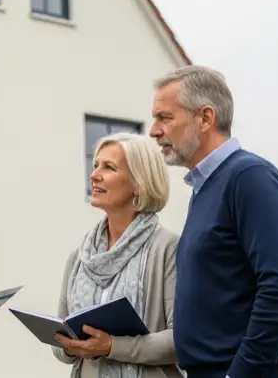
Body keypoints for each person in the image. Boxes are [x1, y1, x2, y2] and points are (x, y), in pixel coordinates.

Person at [149, 65, 278, 378]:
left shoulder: (250, 179)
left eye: (164, 117)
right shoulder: (206, 186)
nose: (153, 130)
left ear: (206, 118)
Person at [52, 132, 183, 378]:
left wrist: (112, 346)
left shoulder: (168, 248)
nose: (94, 175)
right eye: (95, 165)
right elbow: (58, 344)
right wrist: (70, 346)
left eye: (109, 167)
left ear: (138, 183)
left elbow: (180, 339)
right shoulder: (80, 256)